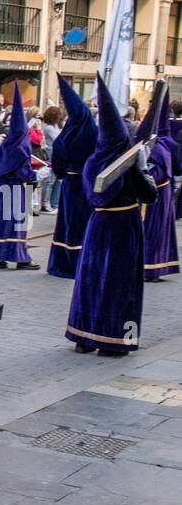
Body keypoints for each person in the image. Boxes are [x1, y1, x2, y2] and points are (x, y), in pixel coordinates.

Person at [66, 76, 155, 356]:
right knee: (120, 282)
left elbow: (91, 194)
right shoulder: (126, 165)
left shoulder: (93, 161)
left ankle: (84, 337)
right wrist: (142, 169)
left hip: (97, 224)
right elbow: (148, 195)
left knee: (90, 279)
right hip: (123, 225)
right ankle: (114, 341)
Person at [0, 84, 39, 270]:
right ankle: (20, 257)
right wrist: (34, 176)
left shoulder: (3, 146)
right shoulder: (22, 147)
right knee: (16, 223)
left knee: (0, 221)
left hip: (0, 187)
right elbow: (25, 172)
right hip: (15, 188)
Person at [47, 76, 96, 279]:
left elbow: (56, 162)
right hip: (87, 184)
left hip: (69, 183)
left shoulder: (65, 136)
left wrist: (63, 174)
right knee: (83, 223)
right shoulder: (95, 132)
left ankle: (63, 261)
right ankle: (82, 262)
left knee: (66, 223)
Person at [142, 89, 180, 282]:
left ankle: (151, 266)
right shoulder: (165, 145)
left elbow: (157, 172)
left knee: (153, 231)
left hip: (155, 195)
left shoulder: (159, 147)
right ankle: (151, 266)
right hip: (159, 194)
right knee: (155, 231)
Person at [37, 105, 62, 213]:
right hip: (52, 155)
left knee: (57, 180)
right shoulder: (49, 128)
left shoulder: (55, 127)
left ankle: (54, 203)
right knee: (50, 180)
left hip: (58, 155)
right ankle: (45, 204)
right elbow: (57, 139)